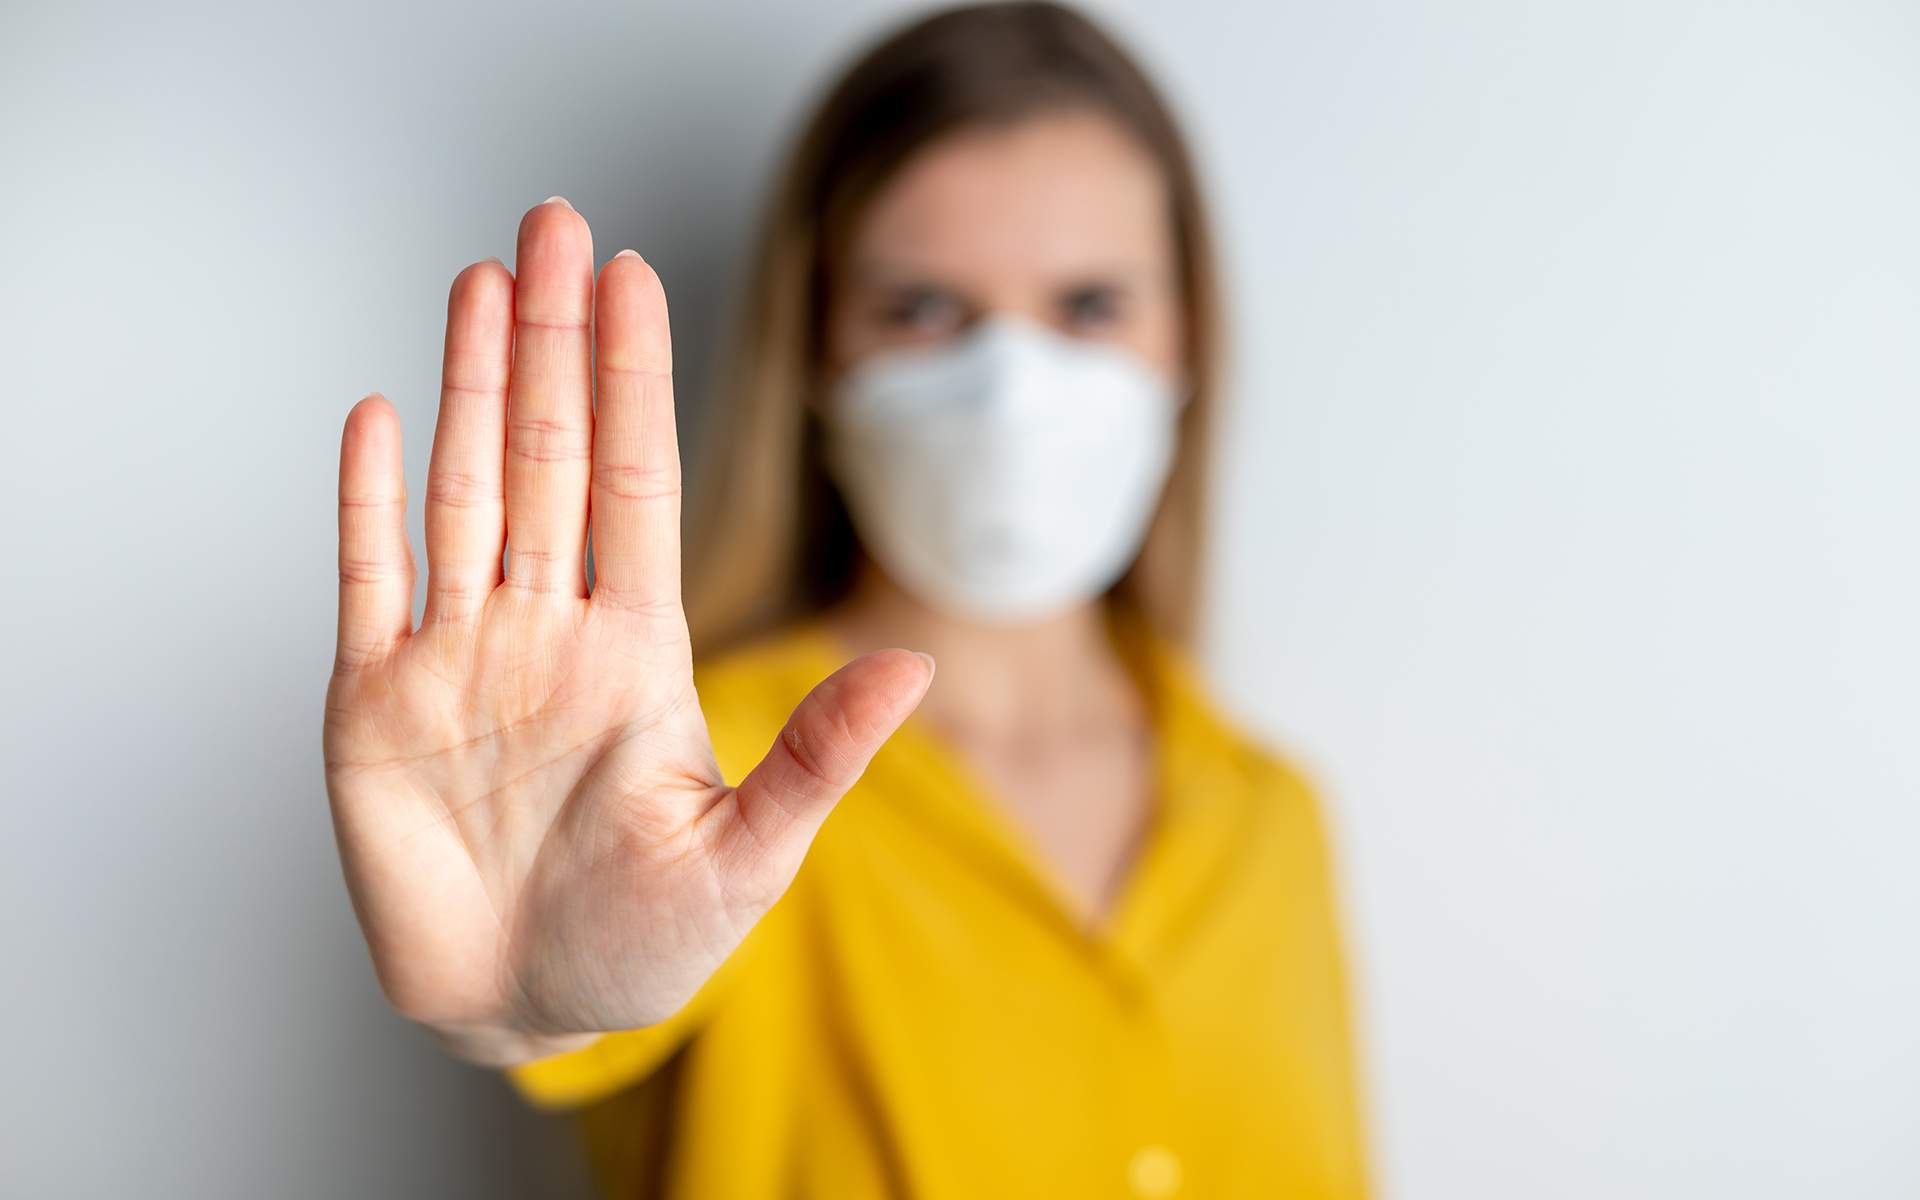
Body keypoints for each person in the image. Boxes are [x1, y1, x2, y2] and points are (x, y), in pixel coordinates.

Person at [321, 2, 1368, 1195]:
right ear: (814, 349)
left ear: (1188, 340)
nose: (1012, 389)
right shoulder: (674, 770)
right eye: (924, 308)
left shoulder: (1272, 823)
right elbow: (558, 993)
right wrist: (517, 998)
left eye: (1089, 306)